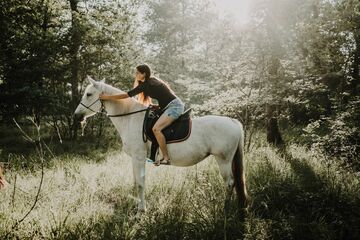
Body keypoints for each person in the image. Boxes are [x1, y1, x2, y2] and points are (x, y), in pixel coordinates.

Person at [99, 64, 185, 166]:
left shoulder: (147, 84)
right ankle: (154, 155)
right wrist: (157, 106)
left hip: (174, 107)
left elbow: (127, 95)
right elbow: (164, 97)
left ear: (144, 74)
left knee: (156, 129)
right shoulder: (150, 82)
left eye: (137, 73)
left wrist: (108, 97)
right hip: (170, 106)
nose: (136, 75)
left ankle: (166, 158)